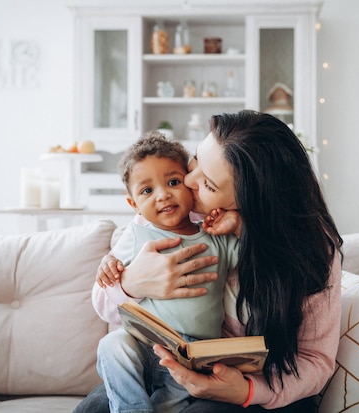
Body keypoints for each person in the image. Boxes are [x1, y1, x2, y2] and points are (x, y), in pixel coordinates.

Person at [74, 110, 343, 413]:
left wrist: (248, 390)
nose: (187, 180)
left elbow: (315, 362)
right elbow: (105, 301)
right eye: (198, 159)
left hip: (258, 388)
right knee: (93, 409)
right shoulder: (177, 208)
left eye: (210, 184)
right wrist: (130, 282)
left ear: (249, 199)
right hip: (166, 359)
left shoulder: (310, 249)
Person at [93, 131, 240, 413]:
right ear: (133, 204)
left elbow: (253, 256)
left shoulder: (216, 236)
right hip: (145, 342)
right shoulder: (136, 235)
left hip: (194, 354)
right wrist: (109, 268)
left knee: (170, 404)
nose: (163, 195)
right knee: (112, 344)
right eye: (147, 191)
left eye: (173, 182)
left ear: (190, 183)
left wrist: (237, 223)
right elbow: (106, 289)